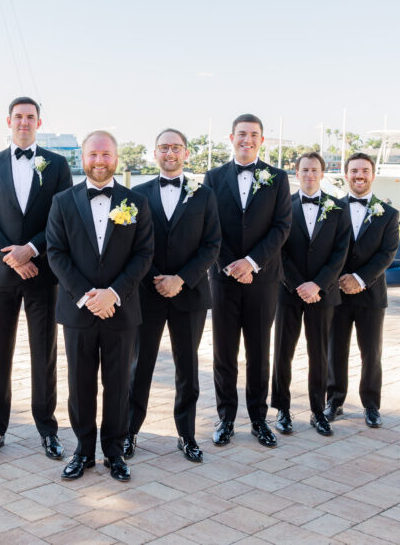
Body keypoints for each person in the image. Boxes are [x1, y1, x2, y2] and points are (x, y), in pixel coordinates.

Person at [46, 130, 153, 482]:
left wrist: (114, 293)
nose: (99, 161)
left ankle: (114, 452)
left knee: (119, 385)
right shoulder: (62, 201)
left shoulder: (136, 202)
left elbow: (143, 254)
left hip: (121, 309)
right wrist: (87, 296)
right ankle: (82, 451)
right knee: (80, 385)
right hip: (78, 310)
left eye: (106, 154)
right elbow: (56, 253)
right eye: (93, 154)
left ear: (116, 158)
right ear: (82, 158)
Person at [0, 97, 72, 460]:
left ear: (39, 123)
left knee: (44, 354)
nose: (24, 122)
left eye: (30, 117)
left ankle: (47, 429)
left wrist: (31, 249)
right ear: (9, 121)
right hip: (1, 275)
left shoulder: (57, 164)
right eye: (19, 116)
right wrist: (11, 257)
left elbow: (63, 216)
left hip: (43, 274)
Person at [125, 128, 220, 463]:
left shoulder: (204, 195)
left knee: (187, 368)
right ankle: (129, 432)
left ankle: (187, 435)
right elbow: (132, 245)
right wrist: (156, 278)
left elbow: (212, 245)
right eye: (163, 147)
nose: (170, 153)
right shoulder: (136, 194)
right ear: (155, 153)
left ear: (186, 153)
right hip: (146, 294)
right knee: (139, 366)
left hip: (189, 294)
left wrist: (181, 279)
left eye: (176, 147)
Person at [202, 114, 291, 448]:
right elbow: (209, 226)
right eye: (242, 133)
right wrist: (230, 264)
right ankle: (225, 417)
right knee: (224, 351)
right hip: (223, 278)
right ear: (231, 137)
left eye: (254, 134)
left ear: (262, 140)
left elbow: (281, 226)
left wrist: (252, 262)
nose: (247, 139)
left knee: (259, 351)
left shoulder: (278, 178)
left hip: (263, 279)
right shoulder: (213, 177)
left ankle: (258, 419)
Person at [271, 152, 351, 437]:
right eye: (304, 170)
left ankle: (318, 411)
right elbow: (278, 251)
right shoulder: (283, 207)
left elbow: (340, 253)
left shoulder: (338, 208)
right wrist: (298, 285)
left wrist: (317, 285)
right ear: (296, 173)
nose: (309, 174)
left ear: (322, 173)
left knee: (320, 354)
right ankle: (282, 409)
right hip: (288, 292)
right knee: (283, 352)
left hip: (322, 293)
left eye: (314, 170)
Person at [325, 152, 399, 429]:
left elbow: (387, 253)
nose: (359, 176)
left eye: (365, 171)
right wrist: (340, 279)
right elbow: (326, 249)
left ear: (373, 175)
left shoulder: (389, 214)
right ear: (346, 175)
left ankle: (371, 405)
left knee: (371, 353)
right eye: (354, 171)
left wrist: (359, 278)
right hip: (337, 292)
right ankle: (334, 401)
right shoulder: (332, 209)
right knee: (335, 350)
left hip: (371, 294)